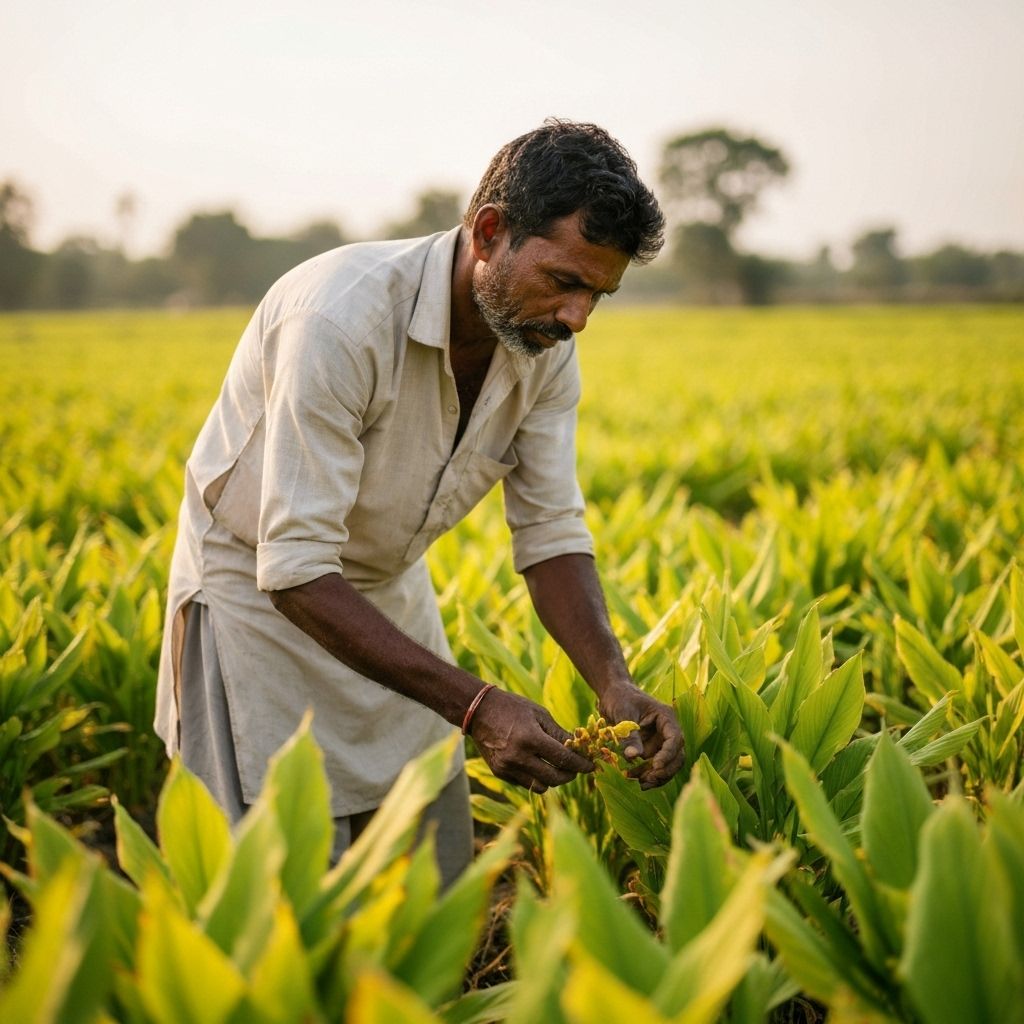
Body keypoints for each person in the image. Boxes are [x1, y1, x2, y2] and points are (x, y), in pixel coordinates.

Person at [155, 119, 685, 885]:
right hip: (257, 607)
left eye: (598, 295)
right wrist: (476, 707)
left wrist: (613, 682)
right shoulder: (339, 319)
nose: (577, 318)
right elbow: (294, 566)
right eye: (564, 281)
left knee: (425, 878)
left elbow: (550, 531)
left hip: (386, 597)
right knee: (278, 884)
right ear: (489, 233)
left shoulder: (540, 348)